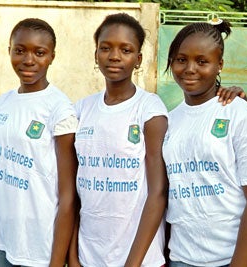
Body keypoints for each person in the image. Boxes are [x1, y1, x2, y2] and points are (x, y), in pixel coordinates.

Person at [162, 19, 247, 267]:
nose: (190, 68)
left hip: (241, 257)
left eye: (202, 61)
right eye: (181, 60)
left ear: (219, 65)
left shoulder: (240, 114)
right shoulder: (169, 120)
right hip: (184, 257)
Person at [68, 13, 168, 267]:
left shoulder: (149, 109)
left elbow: (158, 193)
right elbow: (75, 191)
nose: (114, 56)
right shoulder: (81, 110)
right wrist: (72, 254)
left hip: (137, 258)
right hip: (88, 255)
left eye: (126, 49)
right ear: (96, 55)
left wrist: (133, 263)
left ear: (138, 59)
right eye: (105, 48)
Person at [0, 18, 78, 267]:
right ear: (9, 50)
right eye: (20, 50)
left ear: (52, 56)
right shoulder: (1, 103)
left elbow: (68, 196)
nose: (28, 60)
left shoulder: (59, 109)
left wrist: (57, 262)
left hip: (38, 248)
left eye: (40, 52)